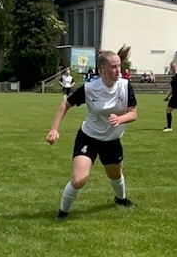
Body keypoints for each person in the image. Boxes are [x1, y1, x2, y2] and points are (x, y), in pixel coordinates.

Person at [46, 46, 137, 220]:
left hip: (112, 140)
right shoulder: (90, 88)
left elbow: (133, 113)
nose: (118, 70)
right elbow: (66, 104)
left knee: (115, 175)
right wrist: (54, 129)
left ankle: (121, 199)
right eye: (114, 66)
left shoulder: (126, 86)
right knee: (79, 179)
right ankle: (63, 212)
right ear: (102, 69)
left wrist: (120, 119)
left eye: (119, 66)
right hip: (89, 138)